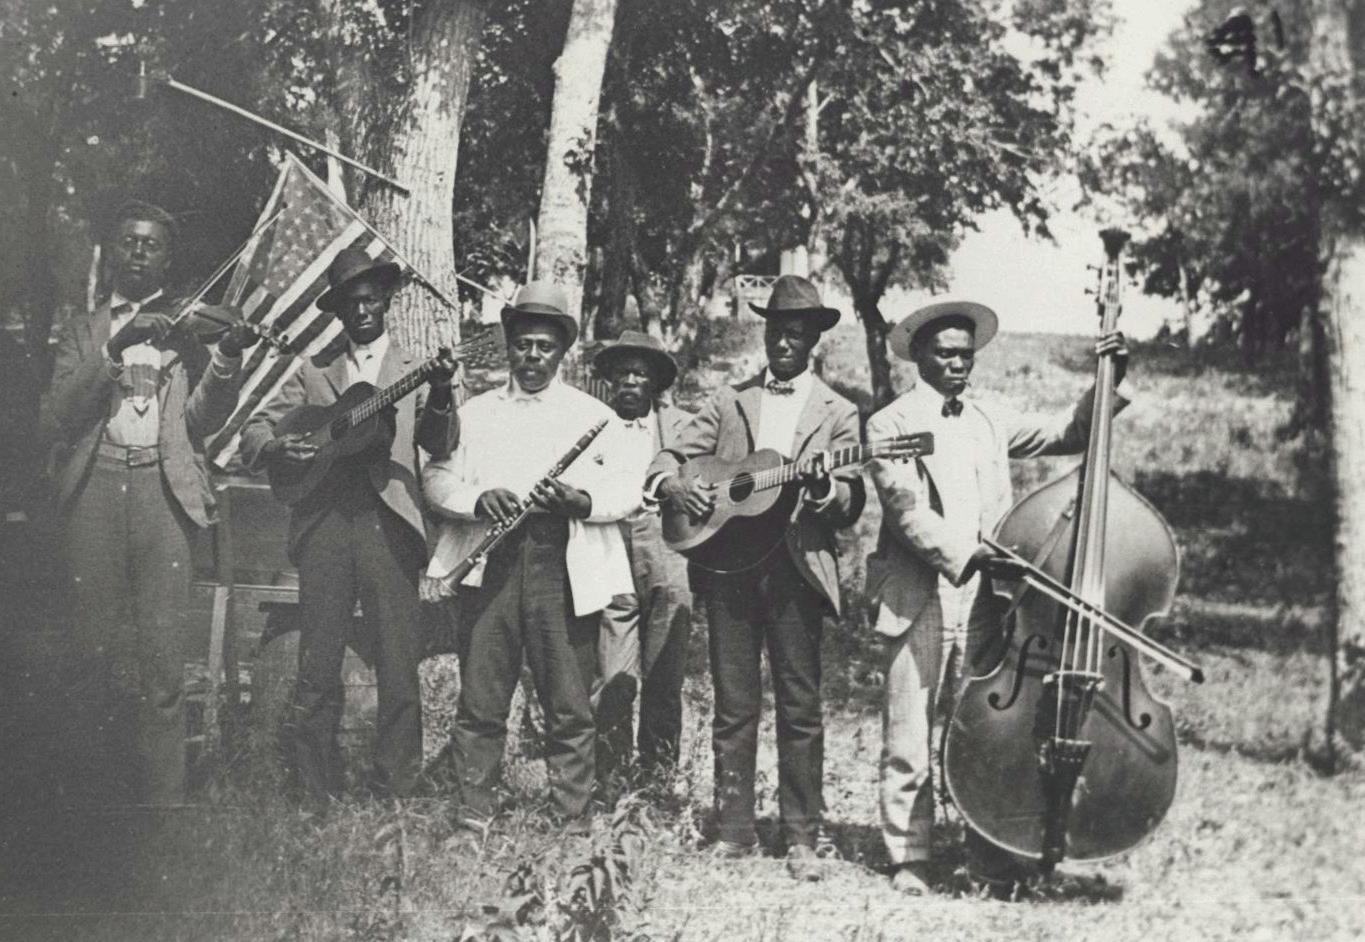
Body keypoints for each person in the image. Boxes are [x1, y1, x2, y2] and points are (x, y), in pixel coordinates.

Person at [865, 300, 1130, 896]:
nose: (958, 364)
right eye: (945, 354)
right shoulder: (888, 423)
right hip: (919, 594)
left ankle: (986, 850)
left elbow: (1069, 432)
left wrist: (1109, 379)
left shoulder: (989, 418)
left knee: (983, 729)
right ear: (919, 356)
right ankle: (909, 856)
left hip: (987, 600)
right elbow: (906, 511)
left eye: (966, 355)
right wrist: (972, 554)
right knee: (908, 733)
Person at [645, 275, 865, 882]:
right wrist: (673, 484)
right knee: (733, 703)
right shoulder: (729, 400)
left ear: (814, 339)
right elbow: (671, 454)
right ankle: (734, 830)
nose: (784, 343)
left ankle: (802, 837)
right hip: (730, 569)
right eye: (776, 332)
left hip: (797, 570)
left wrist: (824, 487)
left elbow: (850, 500)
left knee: (800, 706)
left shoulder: (839, 412)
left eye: (796, 334)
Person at [42, 199, 257, 806]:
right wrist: (116, 348)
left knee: (164, 662)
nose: (138, 252)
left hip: (164, 493)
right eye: (129, 241)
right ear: (113, 251)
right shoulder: (83, 328)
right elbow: (59, 414)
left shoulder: (186, 331)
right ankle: (85, 800)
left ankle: (164, 806)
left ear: (167, 259)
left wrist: (227, 356)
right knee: (89, 652)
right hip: (96, 489)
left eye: (152, 244)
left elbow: (203, 421)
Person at [239, 247, 458, 810]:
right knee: (318, 662)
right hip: (325, 523)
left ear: (385, 302)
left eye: (370, 300)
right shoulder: (315, 369)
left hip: (389, 524)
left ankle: (396, 790)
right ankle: (314, 788)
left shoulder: (413, 368)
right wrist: (276, 447)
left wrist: (440, 391)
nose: (362, 310)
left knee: (397, 662)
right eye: (350, 303)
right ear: (337, 310)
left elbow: (441, 444)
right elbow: (256, 428)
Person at [423, 281, 636, 828]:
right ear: (510, 346)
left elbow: (627, 490)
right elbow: (436, 479)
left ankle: (570, 816)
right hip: (492, 561)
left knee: (568, 698)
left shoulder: (595, 416)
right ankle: (474, 813)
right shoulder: (476, 412)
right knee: (482, 696)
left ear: (562, 350)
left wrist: (581, 501)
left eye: (545, 346)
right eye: (523, 345)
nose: (533, 356)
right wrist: (477, 499)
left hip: (561, 562)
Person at [590, 330, 694, 789]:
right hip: (609, 545)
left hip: (667, 547)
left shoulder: (683, 427)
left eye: (640, 373)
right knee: (613, 674)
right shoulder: (594, 426)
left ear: (655, 382)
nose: (630, 382)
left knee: (665, 674)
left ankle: (657, 783)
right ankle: (610, 781)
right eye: (622, 373)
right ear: (610, 380)